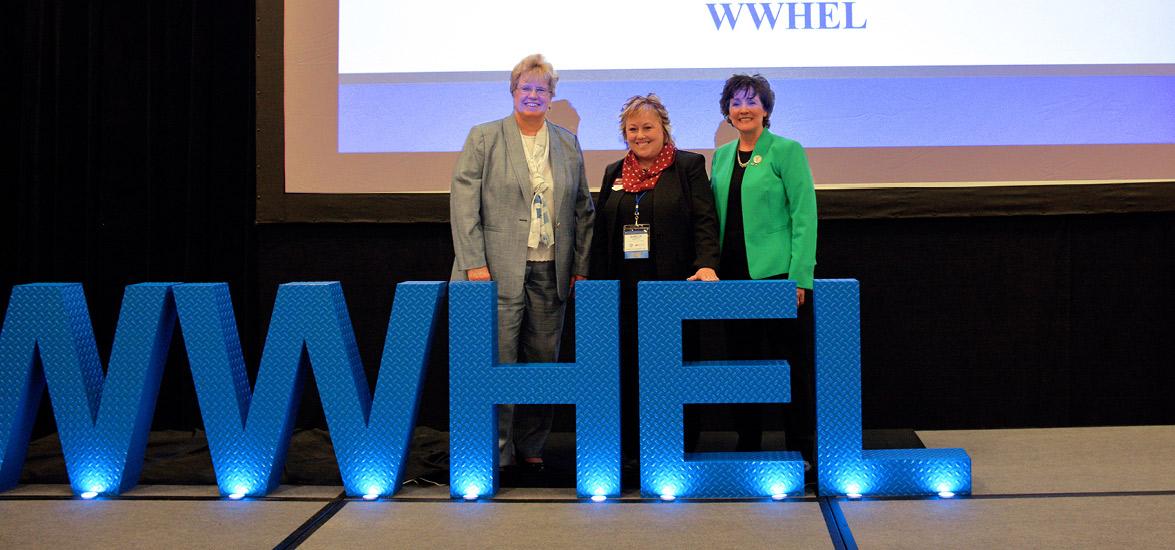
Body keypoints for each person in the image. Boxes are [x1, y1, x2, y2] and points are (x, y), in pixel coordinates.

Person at [450, 54, 595, 472]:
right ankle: (497, 450)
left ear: (552, 96)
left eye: (541, 89)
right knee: (498, 361)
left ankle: (532, 445)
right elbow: (463, 205)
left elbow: (583, 210)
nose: (533, 95)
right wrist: (473, 261)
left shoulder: (567, 142)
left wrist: (579, 265)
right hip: (494, 270)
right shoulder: (484, 137)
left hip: (553, 269)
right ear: (512, 92)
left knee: (542, 361)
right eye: (525, 88)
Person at [590, 94, 720, 467]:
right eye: (633, 129)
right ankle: (632, 450)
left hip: (673, 286)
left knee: (673, 367)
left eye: (648, 127)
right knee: (627, 366)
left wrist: (707, 263)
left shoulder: (688, 166)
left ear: (664, 128)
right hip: (624, 288)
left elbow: (704, 221)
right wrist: (597, 287)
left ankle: (678, 448)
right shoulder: (614, 172)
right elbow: (602, 233)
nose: (640, 135)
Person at [710, 74, 817, 466]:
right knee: (742, 363)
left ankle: (803, 448)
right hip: (732, 279)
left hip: (777, 278)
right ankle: (748, 443)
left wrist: (799, 277)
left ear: (766, 109)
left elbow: (804, 216)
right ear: (727, 111)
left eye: (752, 101)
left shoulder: (787, 151)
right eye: (736, 102)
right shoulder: (721, 156)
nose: (743, 108)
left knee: (792, 365)